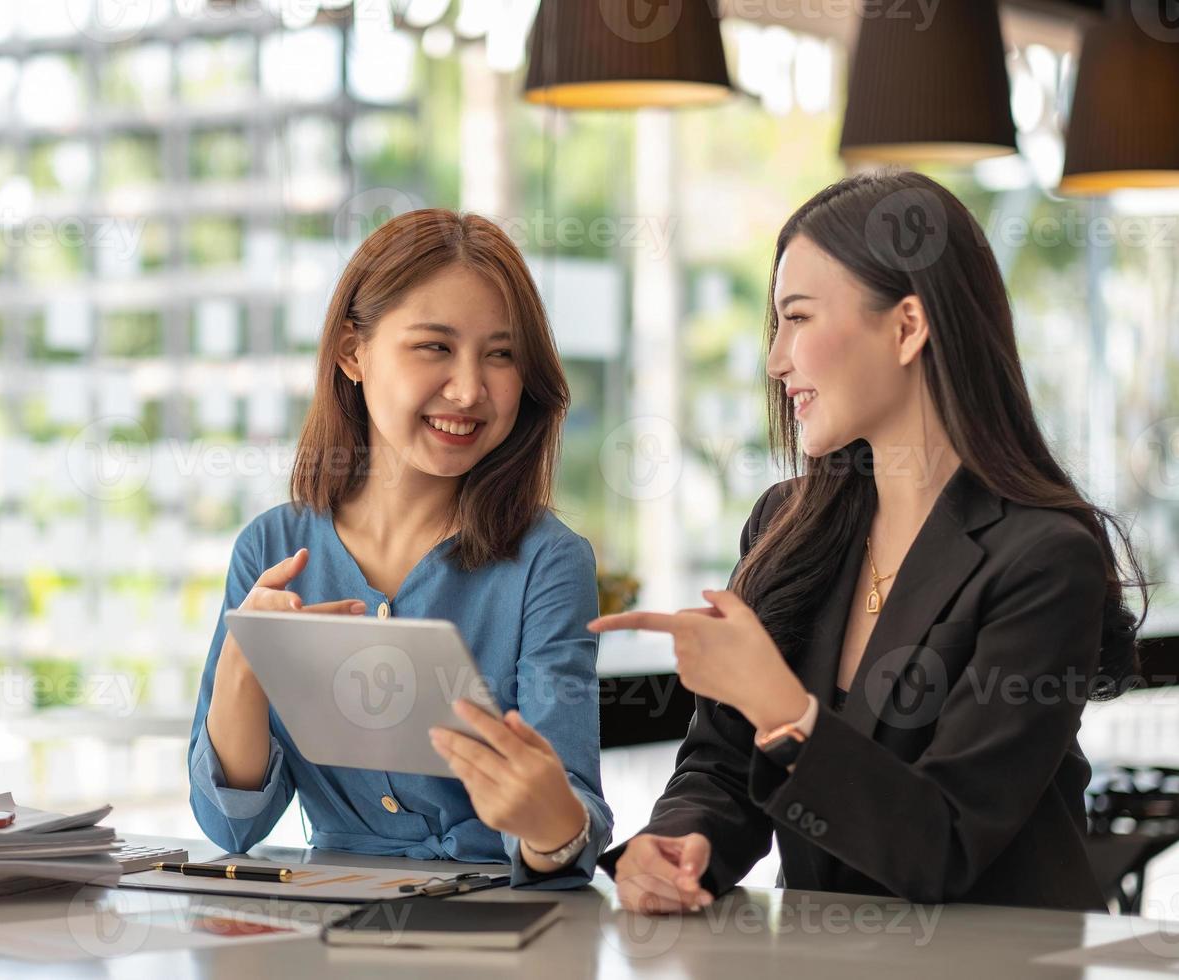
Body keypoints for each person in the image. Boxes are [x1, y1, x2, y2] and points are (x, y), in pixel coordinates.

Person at [591, 171, 1146, 912]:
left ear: (908, 326)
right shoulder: (786, 526)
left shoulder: (1044, 558)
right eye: (777, 325)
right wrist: (681, 844)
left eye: (799, 318)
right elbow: (722, 767)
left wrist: (785, 710)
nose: (775, 359)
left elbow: (945, 845)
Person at [188, 209, 612, 887]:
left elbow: (568, 832)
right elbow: (231, 827)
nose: (470, 390)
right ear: (352, 353)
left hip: (497, 929)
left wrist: (551, 821)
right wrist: (243, 666)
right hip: (324, 924)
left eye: (500, 355)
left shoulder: (547, 562)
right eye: (434, 347)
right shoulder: (273, 546)